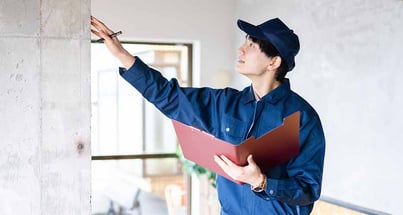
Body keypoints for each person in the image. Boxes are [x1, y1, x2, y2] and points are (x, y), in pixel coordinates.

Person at [91, 15, 325, 215]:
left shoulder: (302, 118)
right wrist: (121, 53)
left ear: (274, 62)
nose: (240, 49)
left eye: (252, 45)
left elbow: (307, 191)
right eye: (245, 42)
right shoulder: (224, 103)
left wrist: (260, 181)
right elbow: (168, 96)